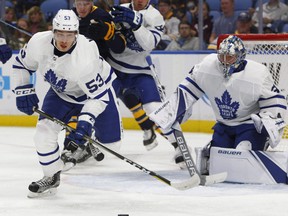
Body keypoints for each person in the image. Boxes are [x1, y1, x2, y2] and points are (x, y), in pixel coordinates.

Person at [11, 9, 122, 197]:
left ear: (76, 34)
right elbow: (22, 64)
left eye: (69, 35)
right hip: (61, 92)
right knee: (43, 133)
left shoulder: (84, 59)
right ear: (52, 31)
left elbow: (98, 97)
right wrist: (23, 90)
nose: (64, 40)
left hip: (94, 93)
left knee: (111, 145)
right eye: (60, 34)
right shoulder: (39, 42)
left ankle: (90, 135)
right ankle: (51, 176)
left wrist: (86, 121)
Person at [149, 35, 287, 183]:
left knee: (242, 152)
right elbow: (187, 89)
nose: (225, 62)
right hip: (223, 125)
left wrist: (269, 121)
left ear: (240, 57)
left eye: (230, 58)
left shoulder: (257, 74)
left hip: (249, 125)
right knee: (218, 161)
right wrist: (173, 110)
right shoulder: (207, 67)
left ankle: (259, 148)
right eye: (222, 57)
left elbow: (275, 100)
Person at [109, 0, 186, 167]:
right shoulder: (120, 10)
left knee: (155, 109)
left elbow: (149, 44)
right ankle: (82, 141)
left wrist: (137, 25)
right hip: (112, 68)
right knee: (100, 104)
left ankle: (179, 146)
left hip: (139, 71)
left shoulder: (155, 16)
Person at [60, 0, 126, 165]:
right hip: (76, 73)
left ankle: (87, 140)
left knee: (93, 109)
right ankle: (71, 145)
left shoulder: (102, 16)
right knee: (74, 108)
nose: (81, 8)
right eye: (78, 4)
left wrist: (108, 33)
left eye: (86, 4)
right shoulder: (69, 18)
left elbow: (120, 46)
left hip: (99, 73)